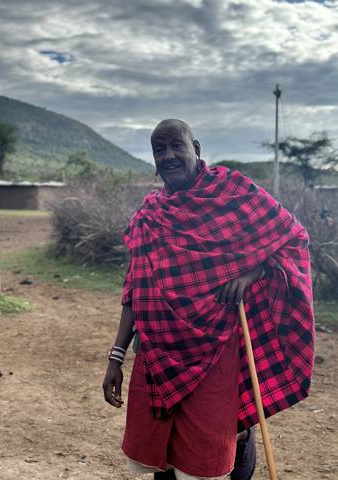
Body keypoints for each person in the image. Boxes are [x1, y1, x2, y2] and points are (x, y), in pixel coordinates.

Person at [103, 119, 315, 480]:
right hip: (158, 352)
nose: (168, 155)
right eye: (159, 149)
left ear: (196, 149)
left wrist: (252, 273)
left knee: (221, 441)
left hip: (217, 347)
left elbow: (291, 236)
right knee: (163, 450)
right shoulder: (150, 215)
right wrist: (116, 357)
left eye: (176, 146)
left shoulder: (233, 193)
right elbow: (134, 286)